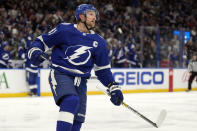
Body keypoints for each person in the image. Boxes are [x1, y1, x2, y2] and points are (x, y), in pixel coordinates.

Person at [27, 4, 124, 131]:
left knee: (77, 121)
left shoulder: (99, 42)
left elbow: (103, 70)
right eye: (91, 14)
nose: (94, 18)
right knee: (71, 100)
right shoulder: (64, 30)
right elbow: (41, 42)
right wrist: (35, 50)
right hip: (61, 74)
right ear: (81, 16)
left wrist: (113, 86)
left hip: (81, 81)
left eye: (95, 15)